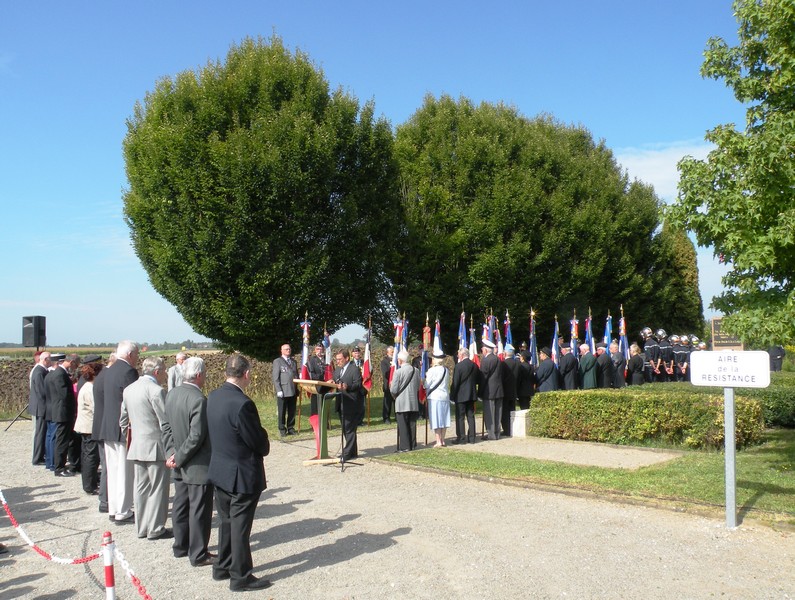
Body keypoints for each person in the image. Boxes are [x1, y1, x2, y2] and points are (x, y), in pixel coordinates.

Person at [207, 354, 271, 592]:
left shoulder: (213, 396)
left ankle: (223, 565)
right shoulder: (243, 404)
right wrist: (264, 436)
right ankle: (240, 576)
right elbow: (257, 442)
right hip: (242, 473)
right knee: (240, 526)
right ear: (246, 374)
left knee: (226, 522)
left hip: (221, 469)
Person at [163, 357, 215, 567]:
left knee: (181, 505)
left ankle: (181, 545)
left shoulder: (172, 393)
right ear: (199, 375)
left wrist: (171, 453)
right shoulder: (199, 399)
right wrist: (178, 456)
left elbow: (165, 427)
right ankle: (198, 553)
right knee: (198, 509)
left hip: (178, 460)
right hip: (196, 465)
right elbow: (197, 436)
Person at [120, 357, 171, 541]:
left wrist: (131, 441)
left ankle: (141, 527)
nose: (165, 374)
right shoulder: (156, 391)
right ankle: (155, 528)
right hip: (156, 445)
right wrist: (171, 447)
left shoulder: (129, 389)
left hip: (137, 445)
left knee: (140, 488)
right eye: (164, 370)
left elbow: (123, 421)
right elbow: (165, 422)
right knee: (158, 488)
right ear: (157, 372)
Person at [101, 340, 140, 523]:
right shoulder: (128, 372)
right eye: (137, 354)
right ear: (130, 354)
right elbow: (133, 399)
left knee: (113, 470)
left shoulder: (109, 370)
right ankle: (123, 511)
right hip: (123, 427)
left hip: (108, 425)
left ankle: (114, 508)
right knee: (124, 472)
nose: (137, 358)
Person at [45, 353, 80, 477]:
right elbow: (64, 395)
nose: (76, 368)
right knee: (62, 441)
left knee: (65, 440)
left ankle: (64, 465)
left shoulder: (57, 373)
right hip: (63, 412)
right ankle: (59, 467)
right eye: (76, 365)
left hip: (61, 411)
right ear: (72, 362)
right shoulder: (60, 374)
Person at [91, 352, 116, 514]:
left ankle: (106, 499)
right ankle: (105, 500)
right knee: (108, 465)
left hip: (100, 424)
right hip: (105, 426)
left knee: (107, 464)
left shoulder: (102, 376)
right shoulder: (107, 376)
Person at [74, 362, 103, 495]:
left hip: (86, 425)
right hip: (89, 426)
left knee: (88, 455)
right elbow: (96, 407)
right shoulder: (90, 388)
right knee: (91, 456)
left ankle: (90, 481)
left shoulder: (87, 386)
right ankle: (89, 485)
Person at [329, 348, 363, 460]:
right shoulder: (338, 370)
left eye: (340, 359)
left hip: (351, 402)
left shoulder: (354, 369)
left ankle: (347, 453)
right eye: (337, 359)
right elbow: (335, 380)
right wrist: (332, 382)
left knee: (349, 429)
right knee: (345, 428)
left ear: (347, 358)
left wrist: (348, 387)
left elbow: (358, 384)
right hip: (341, 402)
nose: (338, 361)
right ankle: (353, 452)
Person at [390, 350, 420, 451]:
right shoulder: (416, 371)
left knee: (402, 425)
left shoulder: (398, 372)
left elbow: (393, 389)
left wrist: (393, 391)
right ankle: (412, 444)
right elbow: (418, 387)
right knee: (412, 424)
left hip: (401, 402)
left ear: (399, 360)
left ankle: (405, 446)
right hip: (413, 401)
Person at [450, 348, 478, 444]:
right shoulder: (474, 365)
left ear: (462, 355)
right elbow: (477, 379)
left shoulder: (459, 366)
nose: (458, 356)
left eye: (458, 354)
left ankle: (461, 438)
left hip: (461, 395)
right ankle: (472, 438)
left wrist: (452, 396)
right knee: (471, 416)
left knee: (460, 417)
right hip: (471, 394)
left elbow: (455, 382)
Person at [29, 351, 51, 466]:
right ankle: (37, 457)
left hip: (40, 406)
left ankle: (40, 455)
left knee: (42, 432)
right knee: (40, 432)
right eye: (50, 359)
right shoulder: (39, 372)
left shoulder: (41, 371)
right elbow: (41, 391)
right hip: (40, 407)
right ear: (45, 359)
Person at [424, 353, 451, 447]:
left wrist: (424, 381)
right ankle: (442, 440)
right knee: (444, 418)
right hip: (445, 396)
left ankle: (438, 440)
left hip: (434, 396)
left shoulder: (431, 370)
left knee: (436, 418)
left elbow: (427, 384)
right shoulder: (446, 370)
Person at [478, 339, 503, 440]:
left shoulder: (486, 360)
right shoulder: (497, 359)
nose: (482, 351)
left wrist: (480, 392)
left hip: (489, 391)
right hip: (498, 390)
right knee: (497, 413)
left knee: (490, 414)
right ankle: (497, 433)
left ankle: (491, 434)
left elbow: (483, 377)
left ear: (485, 350)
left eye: (482, 349)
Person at [272, 344, 298, 437]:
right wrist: (278, 389)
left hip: (293, 390)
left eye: (289, 349)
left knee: (292, 411)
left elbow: (295, 375)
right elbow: (275, 377)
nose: (288, 350)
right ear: (281, 350)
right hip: (283, 390)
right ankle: (282, 429)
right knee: (282, 411)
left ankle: (291, 428)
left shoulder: (293, 361)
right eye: (286, 349)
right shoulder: (277, 361)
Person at [501, 345, 520, 437]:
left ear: (505, 353)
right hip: (514, 390)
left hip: (505, 391)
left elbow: (501, 378)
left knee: (505, 412)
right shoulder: (517, 363)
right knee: (512, 411)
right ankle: (512, 428)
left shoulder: (503, 364)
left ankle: (507, 430)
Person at [380, 346, 395, 424]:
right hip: (388, 384)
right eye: (391, 352)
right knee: (387, 402)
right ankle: (386, 417)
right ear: (387, 352)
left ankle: (397, 416)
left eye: (393, 351)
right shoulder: (384, 361)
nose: (393, 353)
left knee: (396, 402)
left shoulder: (396, 360)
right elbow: (385, 373)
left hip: (396, 384)